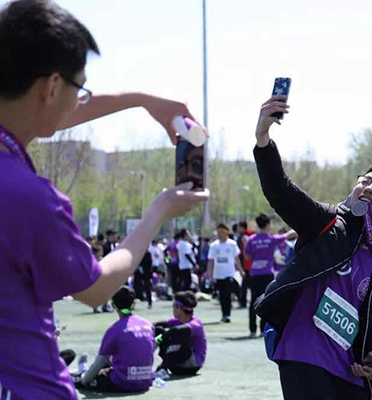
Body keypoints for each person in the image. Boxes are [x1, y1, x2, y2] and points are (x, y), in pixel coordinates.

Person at [0, 1, 209, 398]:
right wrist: (158, 212)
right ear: (51, 87)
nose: (80, 101)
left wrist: (141, 99)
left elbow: (44, 112)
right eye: (80, 89)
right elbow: (95, 289)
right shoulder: (30, 197)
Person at [253, 95, 372, 400]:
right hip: (303, 354)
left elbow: (367, 317)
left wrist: (368, 354)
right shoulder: (328, 221)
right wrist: (262, 140)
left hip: (347, 370)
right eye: (365, 181)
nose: (369, 187)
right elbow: (281, 191)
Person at [74, 286, 155, 392]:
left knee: (90, 376)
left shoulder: (114, 330)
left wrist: (83, 382)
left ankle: (83, 370)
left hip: (122, 383)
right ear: (134, 303)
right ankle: (84, 370)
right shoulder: (148, 325)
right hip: (145, 381)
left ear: (113, 305)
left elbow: (99, 363)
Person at [244, 213, 295, 337]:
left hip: (254, 274)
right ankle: (263, 329)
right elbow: (289, 235)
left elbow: (247, 256)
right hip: (267, 274)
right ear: (267, 225)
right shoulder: (271, 239)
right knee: (265, 301)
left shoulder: (251, 239)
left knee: (252, 301)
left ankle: (252, 330)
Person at [154, 291, 207, 376]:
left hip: (192, 365)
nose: (173, 309)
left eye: (173, 306)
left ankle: (163, 366)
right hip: (176, 365)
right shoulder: (178, 321)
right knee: (158, 329)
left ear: (179, 308)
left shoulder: (196, 323)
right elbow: (157, 325)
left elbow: (178, 330)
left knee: (179, 333)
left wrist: (161, 338)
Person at [208, 224, 244, 323]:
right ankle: (223, 313)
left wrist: (241, 270)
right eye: (218, 233)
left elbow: (236, 259)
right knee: (222, 295)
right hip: (218, 275)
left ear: (226, 233)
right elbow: (211, 261)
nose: (220, 235)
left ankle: (227, 314)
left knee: (227, 294)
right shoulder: (214, 245)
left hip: (229, 273)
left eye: (222, 232)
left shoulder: (232, 244)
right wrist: (209, 274)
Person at [237, 221, 254, 308]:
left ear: (242, 227)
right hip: (250, 265)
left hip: (247, 265)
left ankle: (243, 302)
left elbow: (243, 253)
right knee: (248, 285)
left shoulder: (245, 237)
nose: (237, 229)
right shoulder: (252, 235)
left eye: (239, 227)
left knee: (245, 285)